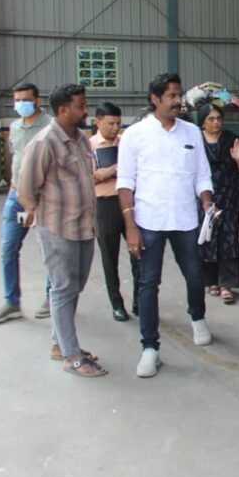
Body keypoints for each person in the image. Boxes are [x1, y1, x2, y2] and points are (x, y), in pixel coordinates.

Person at [117, 73, 215, 379]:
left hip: (186, 219)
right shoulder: (135, 134)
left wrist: (207, 200)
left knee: (196, 275)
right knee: (148, 284)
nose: (177, 101)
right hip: (149, 220)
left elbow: (202, 174)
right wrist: (131, 227)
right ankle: (150, 348)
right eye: (171, 96)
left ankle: (197, 317)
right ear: (155, 99)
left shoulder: (191, 133)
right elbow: (125, 183)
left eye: (179, 95)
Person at [16, 84, 105, 377]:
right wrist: (41, 219)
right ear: (64, 109)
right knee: (63, 288)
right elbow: (26, 190)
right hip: (57, 229)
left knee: (74, 286)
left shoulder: (80, 139)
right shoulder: (44, 143)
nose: (86, 110)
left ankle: (59, 344)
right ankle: (72, 356)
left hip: (83, 227)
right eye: (81, 105)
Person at [0, 82, 53, 324]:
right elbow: (17, 158)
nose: (20, 105)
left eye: (25, 100)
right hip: (16, 197)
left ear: (37, 101)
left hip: (42, 197)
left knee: (49, 251)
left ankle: (51, 296)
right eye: (17, 101)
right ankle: (12, 302)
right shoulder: (15, 127)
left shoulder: (50, 126)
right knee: (8, 248)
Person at [90, 101, 139, 322]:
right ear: (97, 122)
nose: (115, 128)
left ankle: (140, 300)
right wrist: (110, 171)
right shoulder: (88, 146)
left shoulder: (127, 142)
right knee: (109, 257)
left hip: (130, 201)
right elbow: (87, 177)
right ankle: (116, 303)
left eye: (118, 123)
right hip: (105, 204)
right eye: (110, 124)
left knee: (138, 252)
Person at [197, 103, 239, 304]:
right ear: (203, 121)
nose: (216, 122)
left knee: (228, 237)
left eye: (219, 118)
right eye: (211, 119)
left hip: (229, 196)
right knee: (207, 237)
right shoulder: (197, 140)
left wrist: (238, 159)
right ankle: (211, 281)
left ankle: (227, 283)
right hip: (205, 196)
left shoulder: (231, 139)